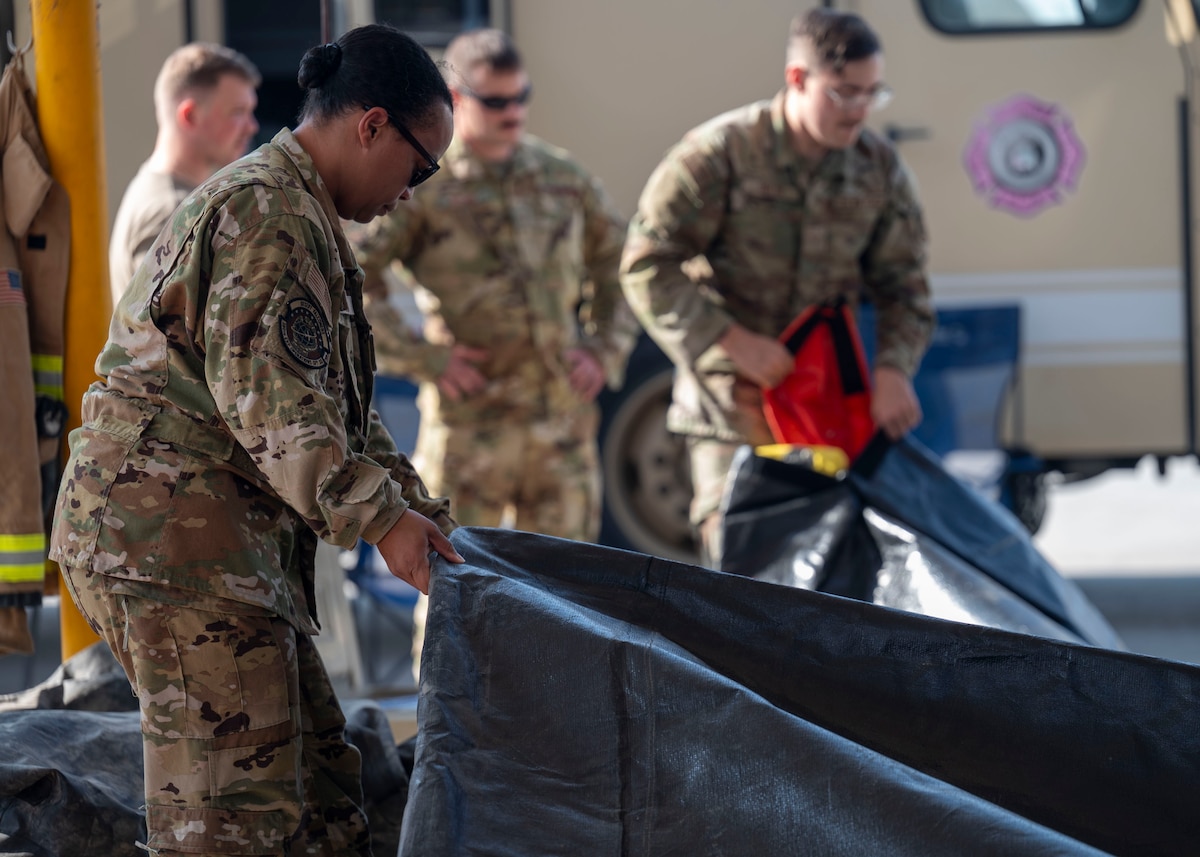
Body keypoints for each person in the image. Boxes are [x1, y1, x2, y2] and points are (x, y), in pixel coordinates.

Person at [50, 24, 459, 856]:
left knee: (324, 796)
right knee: (233, 828)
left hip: (219, 556)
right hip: (171, 552)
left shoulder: (299, 213)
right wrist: (382, 522)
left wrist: (418, 510)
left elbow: (334, 407)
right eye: (421, 167)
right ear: (372, 125)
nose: (413, 191)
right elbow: (272, 406)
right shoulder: (267, 215)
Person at [620, 8, 935, 565]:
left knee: (822, 571)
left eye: (872, 93)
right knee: (741, 569)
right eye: (844, 93)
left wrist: (894, 369)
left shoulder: (876, 168)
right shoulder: (719, 155)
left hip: (822, 403)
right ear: (797, 79)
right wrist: (732, 341)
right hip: (731, 403)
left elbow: (904, 287)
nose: (859, 110)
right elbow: (646, 265)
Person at [351, 27, 636, 542]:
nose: (514, 113)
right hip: (470, 429)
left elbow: (619, 263)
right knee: (456, 587)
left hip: (560, 430)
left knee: (569, 596)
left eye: (521, 97)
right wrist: (426, 360)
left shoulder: (563, 177)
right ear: (458, 100)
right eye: (497, 101)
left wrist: (602, 350)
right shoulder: (425, 186)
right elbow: (353, 275)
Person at [108, 42, 261, 302]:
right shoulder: (172, 211)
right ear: (189, 116)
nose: (252, 127)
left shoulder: (166, 194)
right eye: (238, 112)